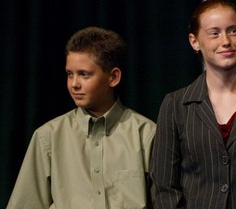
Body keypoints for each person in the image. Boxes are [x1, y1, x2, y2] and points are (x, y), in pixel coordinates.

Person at [150, 0, 236, 209]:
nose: (226, 41)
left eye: (232, 31)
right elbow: (164, 186)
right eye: (214, 33)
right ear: (194, 41)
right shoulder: (176, 105)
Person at [7, 26, 156, 209]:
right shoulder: (48, 137)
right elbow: (26, 204)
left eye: (84, 75)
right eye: (70, 74)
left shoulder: (146, 135)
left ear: (114, 77)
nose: (74, 84)